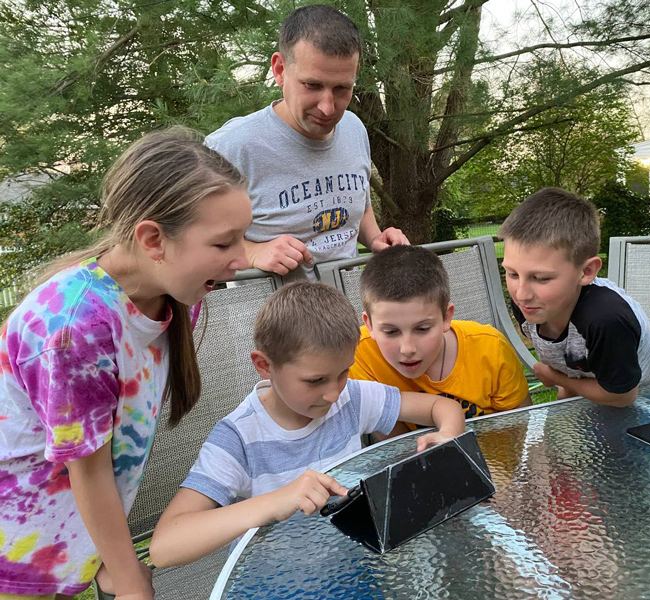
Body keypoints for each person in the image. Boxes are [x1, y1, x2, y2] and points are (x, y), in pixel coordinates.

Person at [0, 128, 252, 600]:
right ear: (153, 238)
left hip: (79, 538)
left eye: (244, 238)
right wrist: (130, 575)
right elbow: (88, 469)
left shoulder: (174, 295)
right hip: (20, 549)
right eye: (224, 244)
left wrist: (109, 561)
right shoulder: (77, 327)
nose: (241, 258)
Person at [148, 281, 464, 567]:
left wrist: (447, 435)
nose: (332, 393)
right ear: (264, 366)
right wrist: (276, 501)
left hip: (354, 565)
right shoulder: (240, 437)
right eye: (315, 380)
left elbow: (442, 406)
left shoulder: (351, 397)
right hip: (278, 582)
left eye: (343, 372)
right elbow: (165, 546)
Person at [206, 4, 408, 280]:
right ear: (279, 69)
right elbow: (194, 241)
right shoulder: (230, 147)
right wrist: (253, 252)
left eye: (341, 89)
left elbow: (360, 206)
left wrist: (375, 238)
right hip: (270, 318)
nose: (327, 107)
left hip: (347, 311)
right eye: (312, 86)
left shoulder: (353, 129)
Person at [498, 187, 650, 407]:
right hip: (600, 376)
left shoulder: (606, 320)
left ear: (586, 272)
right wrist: (565, 387)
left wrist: (555, 377)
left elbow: (622, 397)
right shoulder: (531, 304)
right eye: (512, 274)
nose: (521, 294)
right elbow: (566, 358)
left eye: (541, 278)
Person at [349, 245, 531, 439]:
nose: (408, 348)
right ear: (369, 324)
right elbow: (398, 447)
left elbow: (522, 428)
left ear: (446, 317)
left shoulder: (490, 347)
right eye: (391, 331)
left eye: (422, 329)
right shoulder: (358, 355)